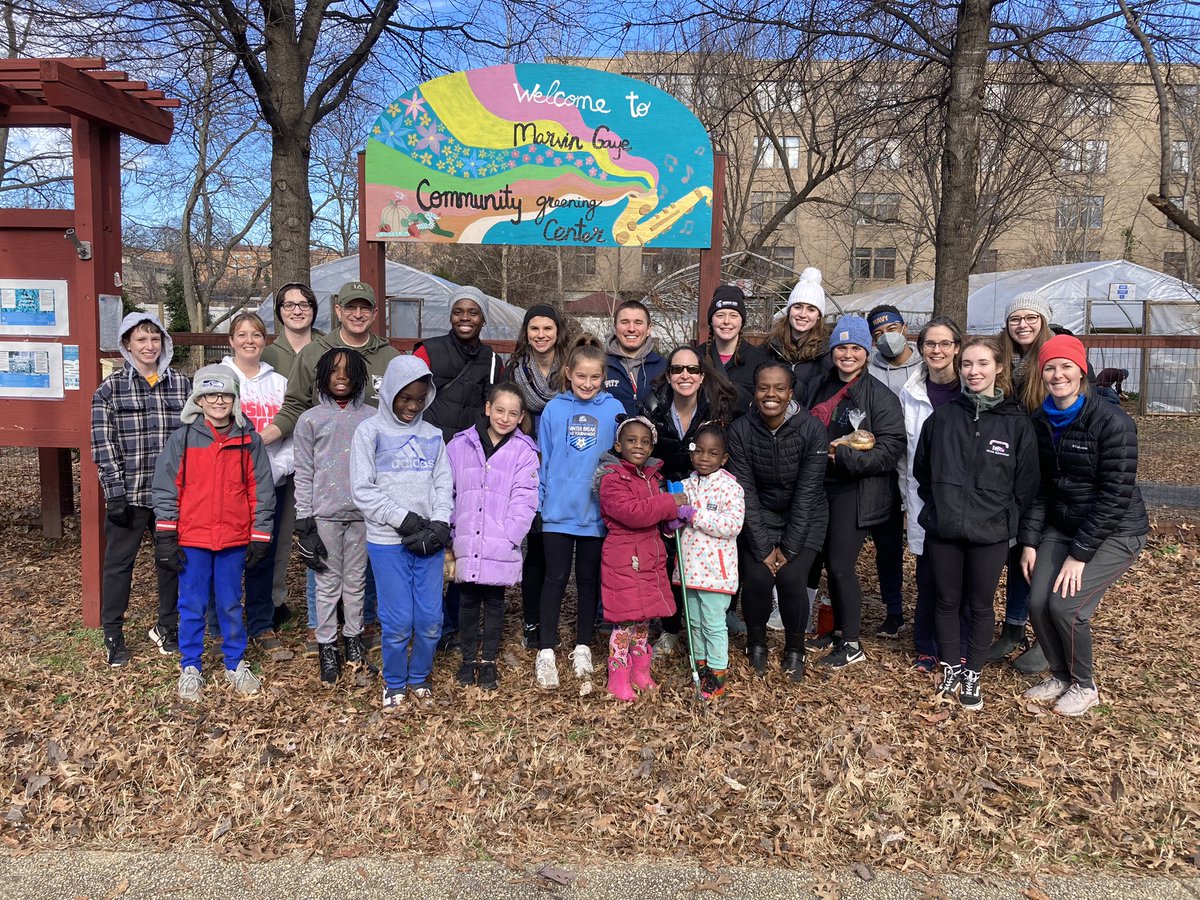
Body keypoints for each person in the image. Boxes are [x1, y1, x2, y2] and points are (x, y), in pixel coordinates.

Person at [262, 280, 400, 653]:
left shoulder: (388, 357)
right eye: (350, 307)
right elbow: (294, 406)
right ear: (338, 311)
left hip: (369, 477)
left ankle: (362, 622)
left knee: (363, 557)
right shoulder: (314, 353)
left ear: (374, 313)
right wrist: (262, 439)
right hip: (325, 474)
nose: (358, 314)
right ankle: (317, 627)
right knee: (319, 555)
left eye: (365, 308)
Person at [1018, 334, 1149, 716]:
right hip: (1062, 525)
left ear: (1081, 371)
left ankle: (1084, 684)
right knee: (1038, 601)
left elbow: (1116, 493)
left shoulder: (1111, 421)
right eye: (1050, 368)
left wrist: (1079, 555)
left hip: (1116, 530)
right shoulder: (1041, 420)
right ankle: (1059, 674)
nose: (1058, 374)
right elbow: (1040, 488)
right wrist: (1029, 541)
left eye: (1066, 366)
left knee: (1066, 606)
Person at [914, 337, 1039, 711]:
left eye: (982, 364)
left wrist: (1003, 518)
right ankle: (951, 666)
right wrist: (941, 507)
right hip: (945, 529)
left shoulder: (1016, 423)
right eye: (967, 364)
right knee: (946, 601)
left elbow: (1027, 484)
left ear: (998, 368)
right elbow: (923, 471)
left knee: (981, 605)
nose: (974, 371)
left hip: (991, 533)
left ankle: (973, 672)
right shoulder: (943, 417)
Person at [151, 365, 275, 702]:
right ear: (199, 399)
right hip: (193, 538)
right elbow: (166, 487)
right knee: (191, 604)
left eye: (224, 394)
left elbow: (261, 489)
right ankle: (190, 665)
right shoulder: (184, 437)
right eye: (210, 394)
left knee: (231, 602)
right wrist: (166, 534)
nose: (218, 400)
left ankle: (235, 662)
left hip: (234, 538)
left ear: (234, 398)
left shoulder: (248, 440)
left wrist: (260, 533)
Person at [803, 315, 905, 669]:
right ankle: (834, 631)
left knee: (843, 565)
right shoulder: (818, 386)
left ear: (867, 350)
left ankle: (851, 642)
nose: (847, 355)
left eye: (855, 348)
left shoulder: (879, 396)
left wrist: (842, 455)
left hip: (856, 489)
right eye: (841, 347)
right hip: (820, 486)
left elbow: (890, 449)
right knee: (828, 561)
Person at [351, 356, 453, 710]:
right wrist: (402, 519)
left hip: (428, 541)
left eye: (419, 398)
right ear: (390, 393)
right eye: (405, 397)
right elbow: (362, 490)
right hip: (388, 541)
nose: (412, 406)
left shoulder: (432, 435)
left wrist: (440, 524)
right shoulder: (370, 432)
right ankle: (394, 682)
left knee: (429, 618)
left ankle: (419, 676)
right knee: (397, 620)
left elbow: (443, 483)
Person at [90, 312, 191, 667]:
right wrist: (113, 491)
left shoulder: (182, 385)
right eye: (141, 340)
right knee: (119, 564)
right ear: (127, 345)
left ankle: (167, 626)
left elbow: (193, 439)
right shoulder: (110, 389)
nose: (149, 346)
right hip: (129, 494)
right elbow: (103, 445)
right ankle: (113, 633)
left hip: (171, 497)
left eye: (155, 339)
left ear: (163, 342)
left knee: (171, 562)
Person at [414, 286, 504, 655]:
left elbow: (497, 407)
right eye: (459, 311)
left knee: (462, 538)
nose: (465, 318)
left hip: (469, 458)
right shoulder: (429, 351)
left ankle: (453, 624)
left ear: (483, 318)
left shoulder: (492, 359)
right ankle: (428, 622)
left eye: (473, 312)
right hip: (430, 454)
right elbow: (408, 395)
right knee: (432, 537)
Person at [726, 361, 829, 679]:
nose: (770, 394)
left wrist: (788, 547)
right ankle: (756, 642)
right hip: (759, 514)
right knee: (757, 578)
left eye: (779, 388)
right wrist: (762, 545)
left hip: (806, 517)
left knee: (790, 580)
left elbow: (808, 492)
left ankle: (794, 648)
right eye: (763, 387)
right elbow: (745, 490)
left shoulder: (812, 429)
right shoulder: (741, 430)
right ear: (754, 391)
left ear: (791, 392)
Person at [535, 334, 625, 693]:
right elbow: (543, 458)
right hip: (558, 509)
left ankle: (583, 646)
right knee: (555, 580)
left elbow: (618, 459)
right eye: (581, 376)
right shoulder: (554, 409)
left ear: (603, 377)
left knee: (588, 581)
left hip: (595, 512)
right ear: (568, 373)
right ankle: (546, 649)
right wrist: (541, 503)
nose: (587, 384)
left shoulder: (614, 408)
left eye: (595, 377)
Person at [641, 346, 737, 654]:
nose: (685, 375)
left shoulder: (717, 409)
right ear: (668, 375)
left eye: (692, 370)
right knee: (670, 562)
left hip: (705, 493)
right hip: (666, 491)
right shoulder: (653, 406)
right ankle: (670, 629)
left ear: (701, 375)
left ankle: (713, 624)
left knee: (700, 561)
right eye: (678, 369)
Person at [447, 384, 540, 691]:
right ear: (487, 408)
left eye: (513, 413)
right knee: (469, 601)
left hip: (501, 542)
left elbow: (526, 498)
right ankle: (468, 659)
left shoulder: (524, 451)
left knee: (495, 601)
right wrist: (451, 527)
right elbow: (446, 490)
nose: (505, 417)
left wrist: (510, 534)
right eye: (499, 410)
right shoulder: (460, 445)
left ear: (521, 416)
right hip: (466, 539)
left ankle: (487, 660)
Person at [292, 348, 375, 684]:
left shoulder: (372, 418)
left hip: (362, 516)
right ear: (323, 375)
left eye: (348, 371)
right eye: (334, 371)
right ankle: (328, 645)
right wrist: (303, 517)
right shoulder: (310, 420)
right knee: (327, 584)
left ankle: (354, 641)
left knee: (356, 583)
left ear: (359, 378)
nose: (341, 377)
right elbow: (303, 469)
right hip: (324, 516)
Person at [596, 416, 692, 701]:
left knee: (644, 620)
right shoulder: (612, 479)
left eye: (645, 442)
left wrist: (672, 521)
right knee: (625, 622)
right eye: (631, 440)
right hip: (624, 557)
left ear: (652, 448)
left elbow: (653, 517)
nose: (638, 446)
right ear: (618, 445)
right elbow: (633, 513)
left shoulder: (653, 478)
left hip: (649, 555)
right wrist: (668, 505)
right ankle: (618, 677)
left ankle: (640, 671)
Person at [221, 311, 293, 654]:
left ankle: (262, 623)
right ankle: (225, 624)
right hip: (227, 486)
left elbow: (292, 433)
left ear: (265, 341)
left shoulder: (278, 383)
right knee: (228, 554)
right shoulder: (219, 379)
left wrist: (275, 470)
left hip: (270, 484)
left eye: (256, 334)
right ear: (231, 340)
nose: (249, 340)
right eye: (242, 334)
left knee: (262, 553)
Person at [989, 293, 1054, 670]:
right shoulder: (1001, 358)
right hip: (1010, 469)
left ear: (1043, 321)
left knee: (1042, 556)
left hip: (1049, 472)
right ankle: (1013, 627)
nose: (1023, 324)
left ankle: (1046, 634)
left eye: (1031, 317)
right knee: (1017, 554)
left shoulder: (1054, 359)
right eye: (1016, 318)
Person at [899, 315, 964, 673]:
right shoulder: (910, 393)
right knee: (928, 574)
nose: (937, 350)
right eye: (930, 344)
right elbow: (904, 456)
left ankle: (960, 645)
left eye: (944, 344)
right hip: (924, 495)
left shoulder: (971, 389)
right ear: (920, 349)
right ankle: (926, 646)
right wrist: (907, 502)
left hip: (965, 498)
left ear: (956, 348)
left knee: (963, 576)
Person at [508, 303, 571, 649]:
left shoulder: (571, 370)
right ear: (526, 332)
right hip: (528, 465)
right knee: (536, 550)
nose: (541, 335)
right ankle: (533, 621)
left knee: (560, 550)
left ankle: (559, 619)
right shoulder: (514, 370)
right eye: (535, 329)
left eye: (548, 328)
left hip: (565, 466)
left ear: (558, 331)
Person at [673, 423, 745, 699]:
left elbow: (732, 525)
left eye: (712, 453)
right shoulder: (686, 486)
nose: (704, 457)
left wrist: (694, 515)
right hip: (689, 569)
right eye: (699, 451)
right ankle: (699, 665)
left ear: (723, 458)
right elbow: (676, 523)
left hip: (716, 572)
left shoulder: (730, 488)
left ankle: (717, 673)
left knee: (713, 623)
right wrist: (672, 523)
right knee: (693, 622)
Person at [865, 304, 921, 638]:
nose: (887, 338)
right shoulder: (868, 369)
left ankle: (928, 609)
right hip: (883, 467)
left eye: (892, 329)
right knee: (887, 545)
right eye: (878, 334)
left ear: (905, 328)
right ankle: (894, 610)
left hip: (918, 465)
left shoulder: (924, 366)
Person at [696, 284, 767, 417]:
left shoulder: (759, 361)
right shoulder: (696, 357)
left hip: (743, 435)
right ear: (711, 320)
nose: (726, 321)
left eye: (734, 315)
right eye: (720, 315)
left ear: (742, 322)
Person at [765, 266, 829, 403]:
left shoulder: (826, 352)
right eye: (798, 307)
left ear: (819, 316)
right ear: (789, 310)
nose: (803, 314)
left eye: (811, 309)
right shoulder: (770, 346)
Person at [604, 299, 666, 415]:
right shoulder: (600, 365)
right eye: (624, 322)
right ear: (615, 328)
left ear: (648, 329)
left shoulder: (664, 367)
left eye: (638, 322)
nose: (631, 329)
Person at [261, 281, 323, 377]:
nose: (297, 311)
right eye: (289, 305)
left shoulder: (329, 351)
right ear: (279, 311)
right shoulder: (264, 357)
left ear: (313, 310)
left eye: (304, 305)